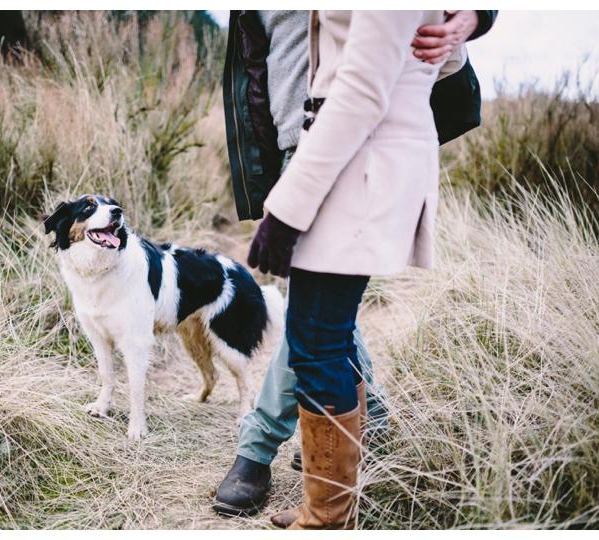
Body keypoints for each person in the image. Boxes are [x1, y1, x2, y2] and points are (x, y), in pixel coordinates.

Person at [215, 9, 497, 521]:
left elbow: (364, 88)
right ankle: (337, 487)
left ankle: (317, 506)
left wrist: (475, 15)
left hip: (348, 155)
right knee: (322, 332)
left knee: (315, 340)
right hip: (311, 141)